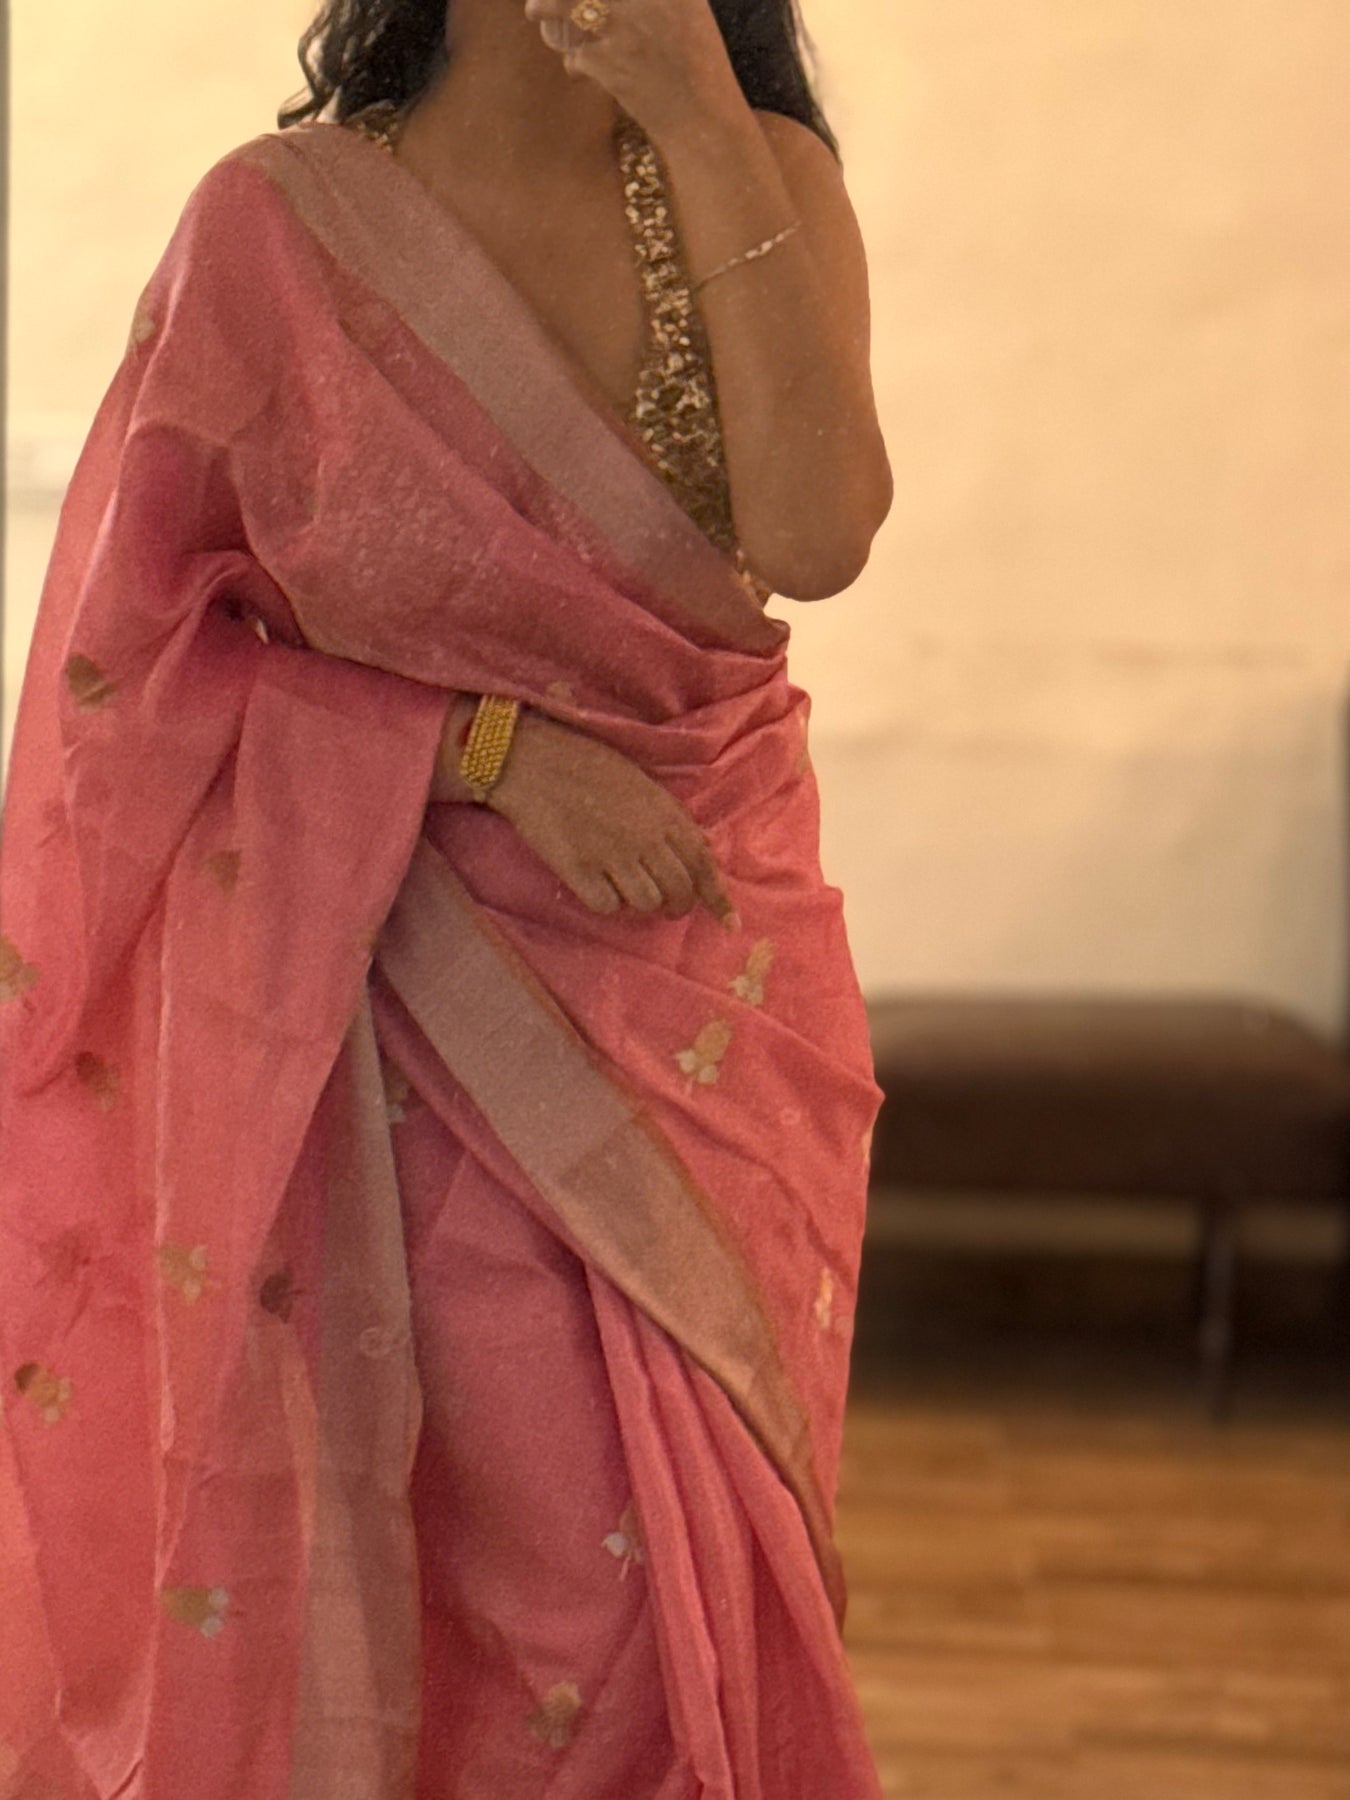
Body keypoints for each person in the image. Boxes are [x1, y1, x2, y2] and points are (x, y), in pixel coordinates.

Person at [0, 0, 892, 1792]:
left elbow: (817, 537)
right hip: (389, 984)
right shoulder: (276, 230)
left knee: (671, 1570)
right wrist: (481, 750)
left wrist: (700, 124)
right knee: (512, 1570)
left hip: (708, 963)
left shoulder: (763, 171)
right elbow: (143, 658)